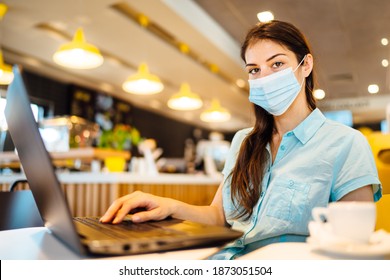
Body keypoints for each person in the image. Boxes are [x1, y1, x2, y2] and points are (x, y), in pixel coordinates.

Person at [100, 20, 382, 259]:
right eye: (254, 70)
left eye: (277, 64)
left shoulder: (346, 144)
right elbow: (219, 217)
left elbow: (353, 247)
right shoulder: (243, 141)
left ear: (305, 65)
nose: (264, 77)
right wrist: (168, 206)